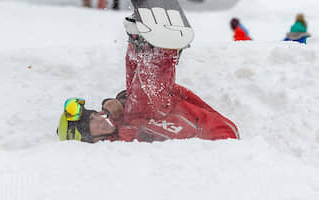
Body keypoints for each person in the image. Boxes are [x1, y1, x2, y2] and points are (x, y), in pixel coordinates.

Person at [57, 16, 239, 143]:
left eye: (94, 113)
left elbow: (132, 101)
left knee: (133, 98)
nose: (98, 116)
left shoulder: (117, 126)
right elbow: (131, 134)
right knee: (136, 110)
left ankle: (139, 42)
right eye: (91, 121)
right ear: (90, 139)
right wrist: (123, 114)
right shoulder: (115, 149)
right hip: (220, 139)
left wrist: (118, 103)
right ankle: (159, 47)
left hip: (186, 114)